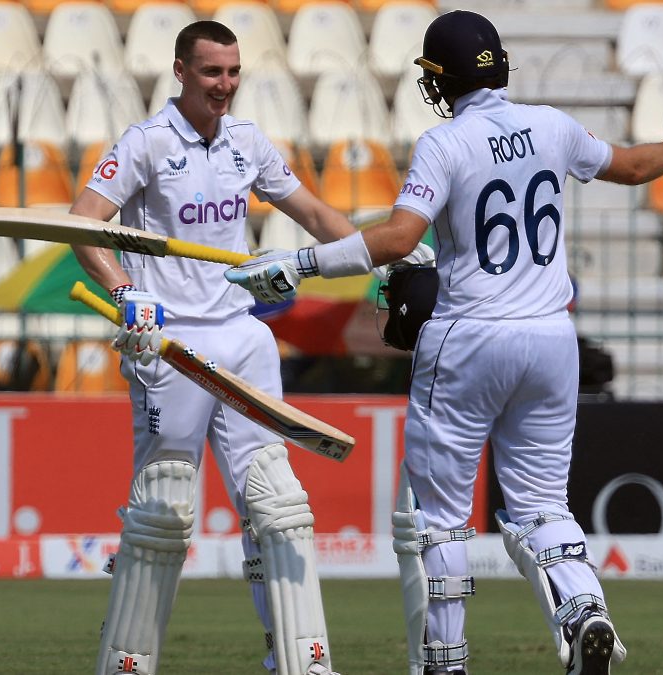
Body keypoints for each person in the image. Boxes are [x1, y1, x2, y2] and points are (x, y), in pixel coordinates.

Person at [225, 10, 663, 675]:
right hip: (551, 337)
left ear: (443, 80)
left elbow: (402, 240)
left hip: (470, 338)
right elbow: (634, 166)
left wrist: (301, 264)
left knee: (440, 516)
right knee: (544, 505)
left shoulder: (446, 144)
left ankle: (446, 660)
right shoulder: (550, 125)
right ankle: (582, 609)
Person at [69, 20, 426, 675]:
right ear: (181, 72)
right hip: (169, 342)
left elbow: (316, 216)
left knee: (278, 503)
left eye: (233, 72)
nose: (224, 85)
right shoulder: (146, 143)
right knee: (165, 510)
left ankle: (302, 660)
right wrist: (126, 293)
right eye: (211, 73)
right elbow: (82, 222)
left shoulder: (246, 142)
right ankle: (126, 662)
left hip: (242, 337)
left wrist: (379, 263)